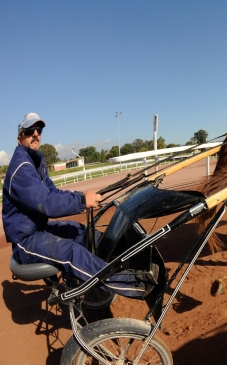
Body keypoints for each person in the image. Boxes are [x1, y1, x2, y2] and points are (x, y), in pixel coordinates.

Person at [2, 113, 153, 298]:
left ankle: (123, 256)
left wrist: (82, 196)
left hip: (39, 229)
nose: (35, 134)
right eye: (29, 131)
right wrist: (82, 202)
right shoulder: (21, 167)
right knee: (71, 252)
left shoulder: (36, 160)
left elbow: (53, 192)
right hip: (25, 241)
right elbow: (47, 203)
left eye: (38, 130)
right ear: (20, 137)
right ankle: (134, 284)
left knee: (78, 231)